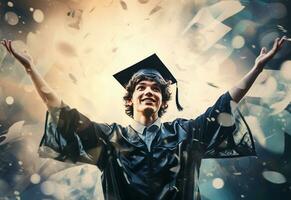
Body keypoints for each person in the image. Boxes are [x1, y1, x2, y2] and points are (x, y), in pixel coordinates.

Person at [1, 36, 286, 200]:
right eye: (141, 87)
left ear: (162, 101)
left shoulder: (186, 134)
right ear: (130, 98)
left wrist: (258, 68)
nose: (149, 91)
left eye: (155, 89)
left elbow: (224, 105)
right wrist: (30, 68)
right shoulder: (109, 138)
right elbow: (61, 112)